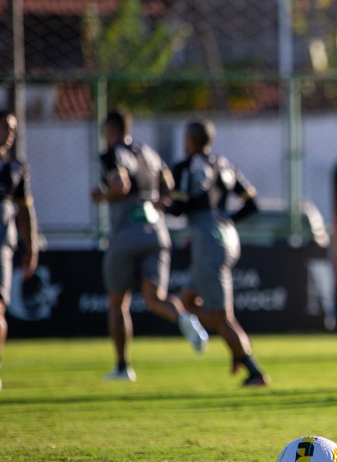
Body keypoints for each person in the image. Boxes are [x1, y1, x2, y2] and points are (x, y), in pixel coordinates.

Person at [90, 109, 209, 381]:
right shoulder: (149, 153)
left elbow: (120, 184)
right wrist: (158, 202)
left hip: (126, 232)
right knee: (156, 298)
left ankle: (122, 367)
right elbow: (168, 183)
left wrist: (103, 196)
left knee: (118, 303)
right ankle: (185, 319)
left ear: (111, 131)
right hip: (156, 231)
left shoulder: (112, 154)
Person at [167, 120, 268, 387]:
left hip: (207, 242)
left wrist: (159, 202)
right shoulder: (224, 164)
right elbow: (252, 203)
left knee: (222, 317)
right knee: (187, 302)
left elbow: (177, 208)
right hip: (226, 237)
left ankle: (252, 368)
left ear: (189, 140)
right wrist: (227, 220)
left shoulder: (186, 167)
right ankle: (237, 344)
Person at [0, 111, 39, 390]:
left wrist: (31, 246)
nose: (9, 133)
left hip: (2, 242)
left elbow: (25, 210)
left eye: (13, 128)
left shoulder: (15, 168)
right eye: (4, 127)